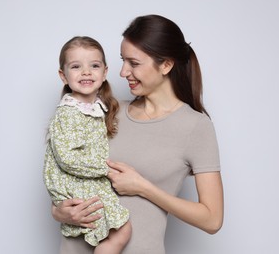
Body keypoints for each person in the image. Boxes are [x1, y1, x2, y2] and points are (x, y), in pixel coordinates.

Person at [51, 15, 224, 254]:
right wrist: (58, 210)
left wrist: (143, 187)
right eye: (123, 61)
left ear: (166, 65)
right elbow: (67, 167)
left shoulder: (195, 126)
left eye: (134, 63)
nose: (123, 72)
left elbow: (212, 220)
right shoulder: (105, 110)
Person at [43, 36, 132, 254]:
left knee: (112, 230)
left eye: (94, 65)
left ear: (104, 72)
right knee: (122, 230)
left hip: (85, 180)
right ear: (63, 76)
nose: (86, 72)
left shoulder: (97, 108)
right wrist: (106, 170)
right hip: (75, 181)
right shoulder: (68, 112)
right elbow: (67, 159)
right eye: (76, 66)